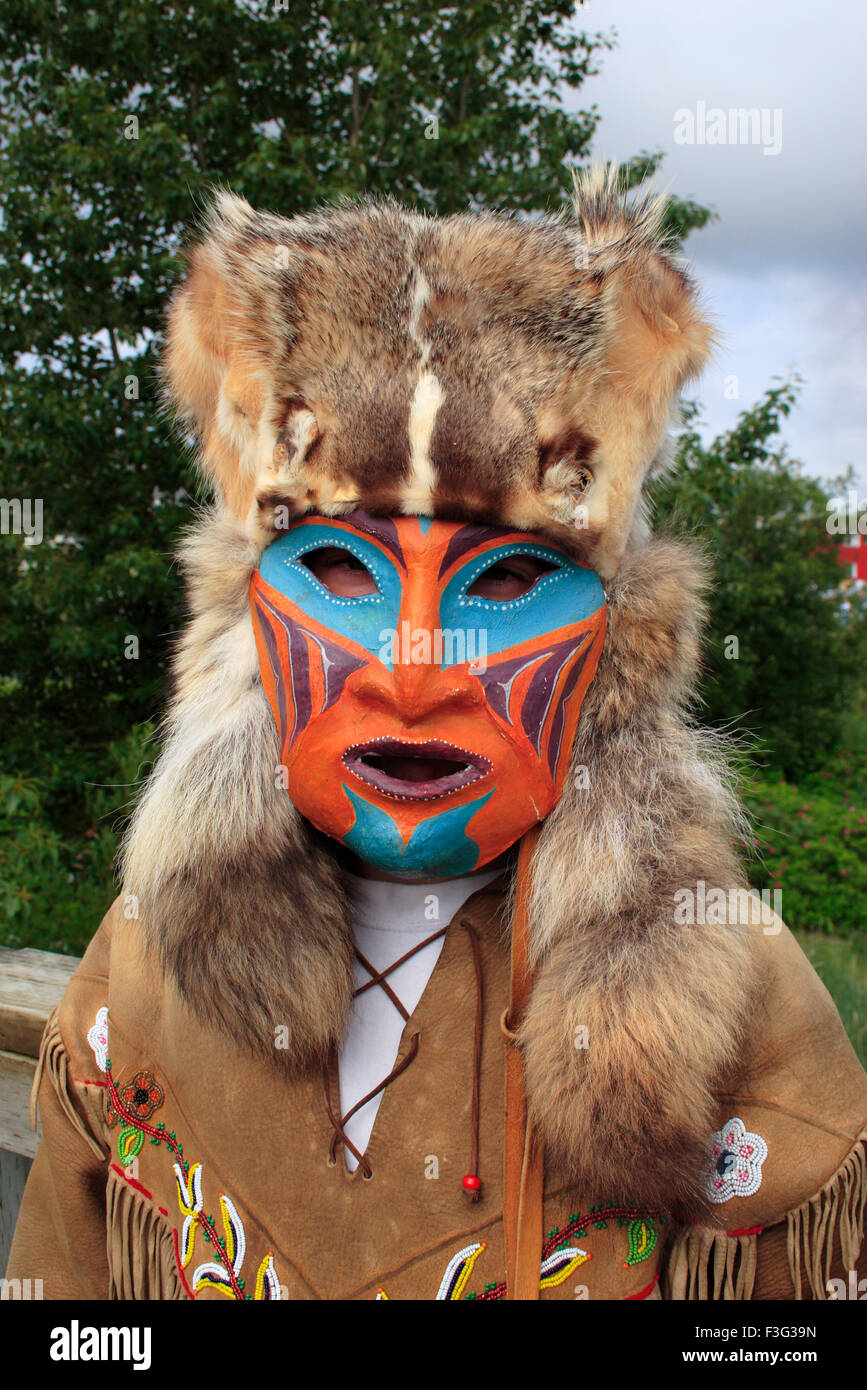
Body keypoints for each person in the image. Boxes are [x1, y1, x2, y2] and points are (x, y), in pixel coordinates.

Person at [7, 167, 866, 1301]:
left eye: (506, 577)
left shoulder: (751, 1003)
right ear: (250, 623)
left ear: (617, 644)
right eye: (340, 570)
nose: (414, 674)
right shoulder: (144, 958)